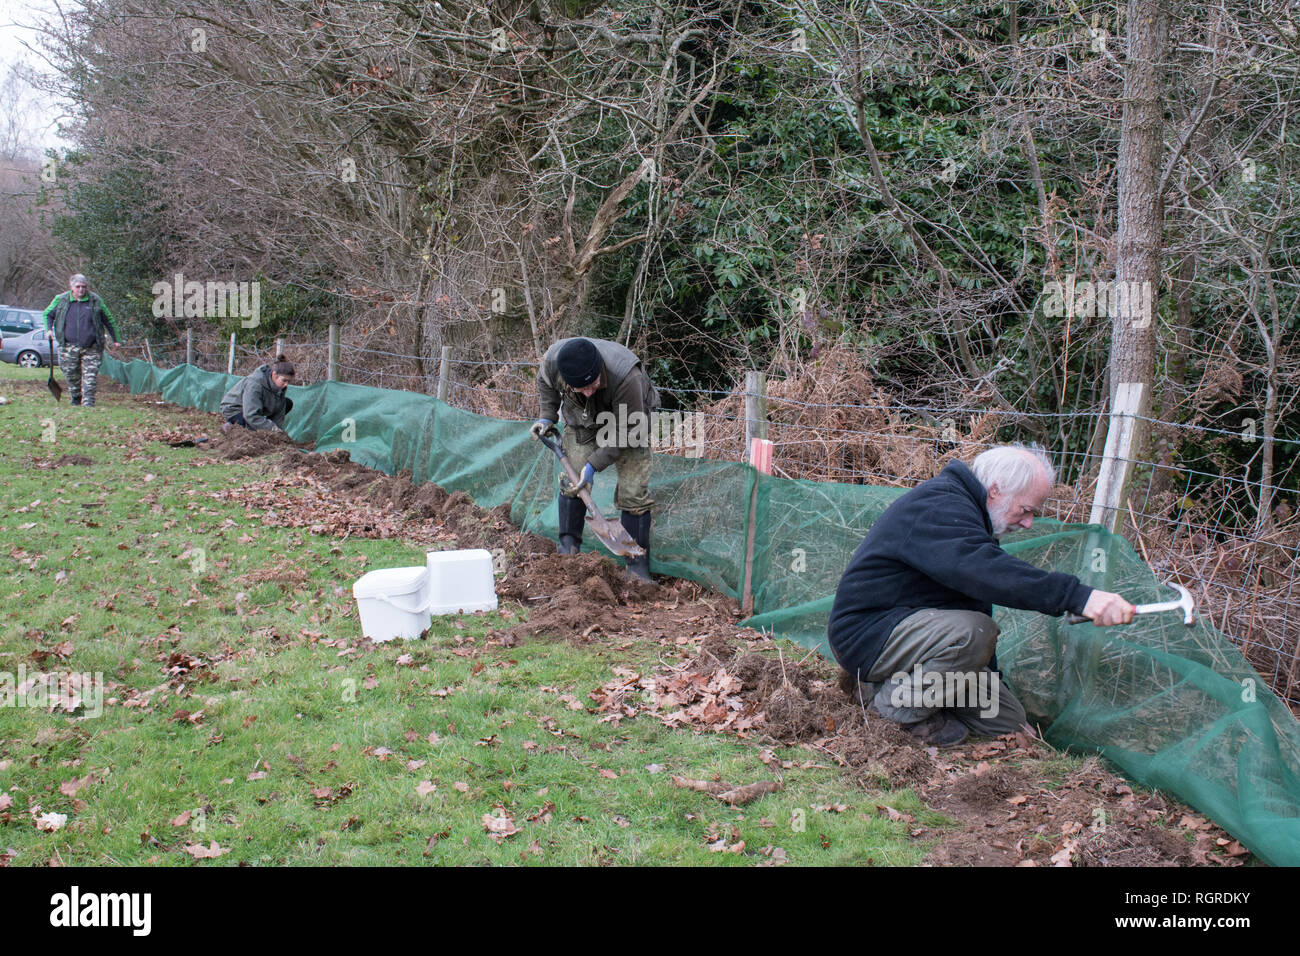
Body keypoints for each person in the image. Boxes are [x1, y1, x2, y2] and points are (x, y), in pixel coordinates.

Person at [828, 443, 1135, 747]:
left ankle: (900, 689)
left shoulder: (972, 517)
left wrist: (991, 677)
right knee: (973, 632)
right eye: (1026, 510)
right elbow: (990, 576)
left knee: (1006, 720)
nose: (1028, 523)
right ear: (995, 490)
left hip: (916, 639)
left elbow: (973, 599)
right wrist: (1078, 597)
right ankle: (886, 711)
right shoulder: (940, 506)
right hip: (869, 635)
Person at [530, 337, 659, 583]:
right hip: (583, 420)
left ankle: (637, 569)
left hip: (629, 424)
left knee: (634, 491)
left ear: (599, 369)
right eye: (581, 388)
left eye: (593, 385)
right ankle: (568, 551)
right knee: (572, 481)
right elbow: (545, 383)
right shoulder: (554, 361)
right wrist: (547, 416)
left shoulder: (626, 376)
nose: (588, 391)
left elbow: (628, 431)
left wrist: (594, 464)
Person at [43, 274, 122, 407]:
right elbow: (47, 314)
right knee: (71, 373)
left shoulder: (95, 300)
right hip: (67, 346)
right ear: (71, 287)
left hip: (92, 346)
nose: (81, 289)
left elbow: (109, 320)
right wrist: (48, 330)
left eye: (83, 287)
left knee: (90, 376)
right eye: (78, 287)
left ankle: (88, 402)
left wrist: (116, 339)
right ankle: (76, 397)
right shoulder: (61, 299)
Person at [220, 355, 296, 432]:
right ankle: (230, 426)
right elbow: (250, 414)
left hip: (256, 405)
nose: (286, 384)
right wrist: (271, 428)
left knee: (287, 403)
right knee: (251, 432)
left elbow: (279, 412)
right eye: (284, 380)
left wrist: (277, 431)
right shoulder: (255, 384)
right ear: (274, 375)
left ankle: (260, 425)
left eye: (289, 381)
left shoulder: (280, 386)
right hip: (235, 408)